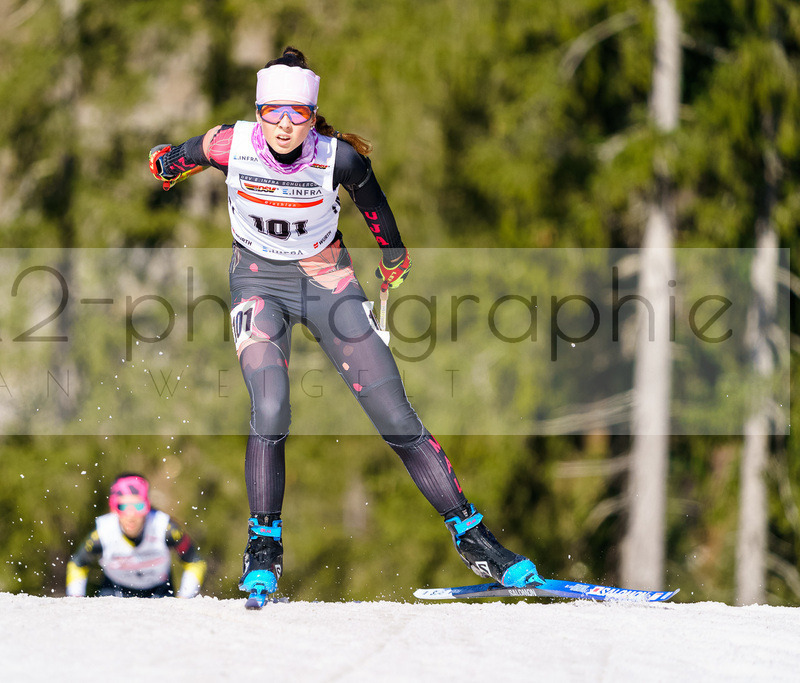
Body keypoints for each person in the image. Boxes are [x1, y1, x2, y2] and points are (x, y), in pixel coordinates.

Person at [148, 47, 540, 599]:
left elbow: (376, 209)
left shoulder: (338, 159)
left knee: (395, 416)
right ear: (258, 112)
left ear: (313, 116)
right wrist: (166, 162)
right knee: (270, 407)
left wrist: (394, 259)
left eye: (298, 115)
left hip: (327, 284)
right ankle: (263, 549)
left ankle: (476, 541)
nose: (285, 126)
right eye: (273, 113)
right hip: (259, 285)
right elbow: (177, 156)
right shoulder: (228, 144)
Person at [66, 473, 207, 598]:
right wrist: (75, 598)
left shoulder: (165, 528)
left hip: (159, 590)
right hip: (114, 590)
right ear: (113, 508)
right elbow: (77, 564)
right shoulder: (102, 533)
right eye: (123, 507)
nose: (131, 515)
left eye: (138, 506)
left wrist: (185, 597)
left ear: (147, 506)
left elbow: (195, 562)